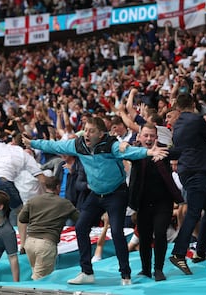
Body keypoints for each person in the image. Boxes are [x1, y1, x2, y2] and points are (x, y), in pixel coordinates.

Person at [23, 117, 168, 285]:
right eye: (86, 129)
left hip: (116, 194)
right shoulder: (78, 145)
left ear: (100, 134)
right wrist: (33, 143)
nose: (87, 133)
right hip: (96, 195)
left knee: (116, 232)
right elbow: (54, 145)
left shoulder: (110, 146)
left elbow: (129, 152)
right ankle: (87, 272)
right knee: (81, 227)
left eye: (91, 131)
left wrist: (149, 152)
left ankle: (125, 275)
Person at [168, 93, 206, 275]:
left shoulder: (177, 124)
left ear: (177, 107)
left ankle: (201, 251)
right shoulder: (195, 119)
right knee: (193, 213)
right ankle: (179, 253)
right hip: (196, 172)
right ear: (193, 104)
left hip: (186, 171)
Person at [128, 123, 183, 281]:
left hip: (163, 202)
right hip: (143, 202)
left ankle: (158, 268)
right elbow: (121, 152)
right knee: (144, 237)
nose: (149, 138)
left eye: (152, 135)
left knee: (160, 233)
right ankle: (145, 269)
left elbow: (179, 151)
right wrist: (125, 144)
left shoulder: (164, 150)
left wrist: (161, 155)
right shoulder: (136, 152)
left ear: (156, 138)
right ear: (140, 137)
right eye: (146, 135)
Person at [18, 176, 79, 280]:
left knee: (36, 273)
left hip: (30, 242)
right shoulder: (64, 203)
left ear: (45, 186)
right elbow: (79, 219)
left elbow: (22, 218)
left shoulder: (33, 200)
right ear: (58, 187)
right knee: (41, 280)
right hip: (46, 243)